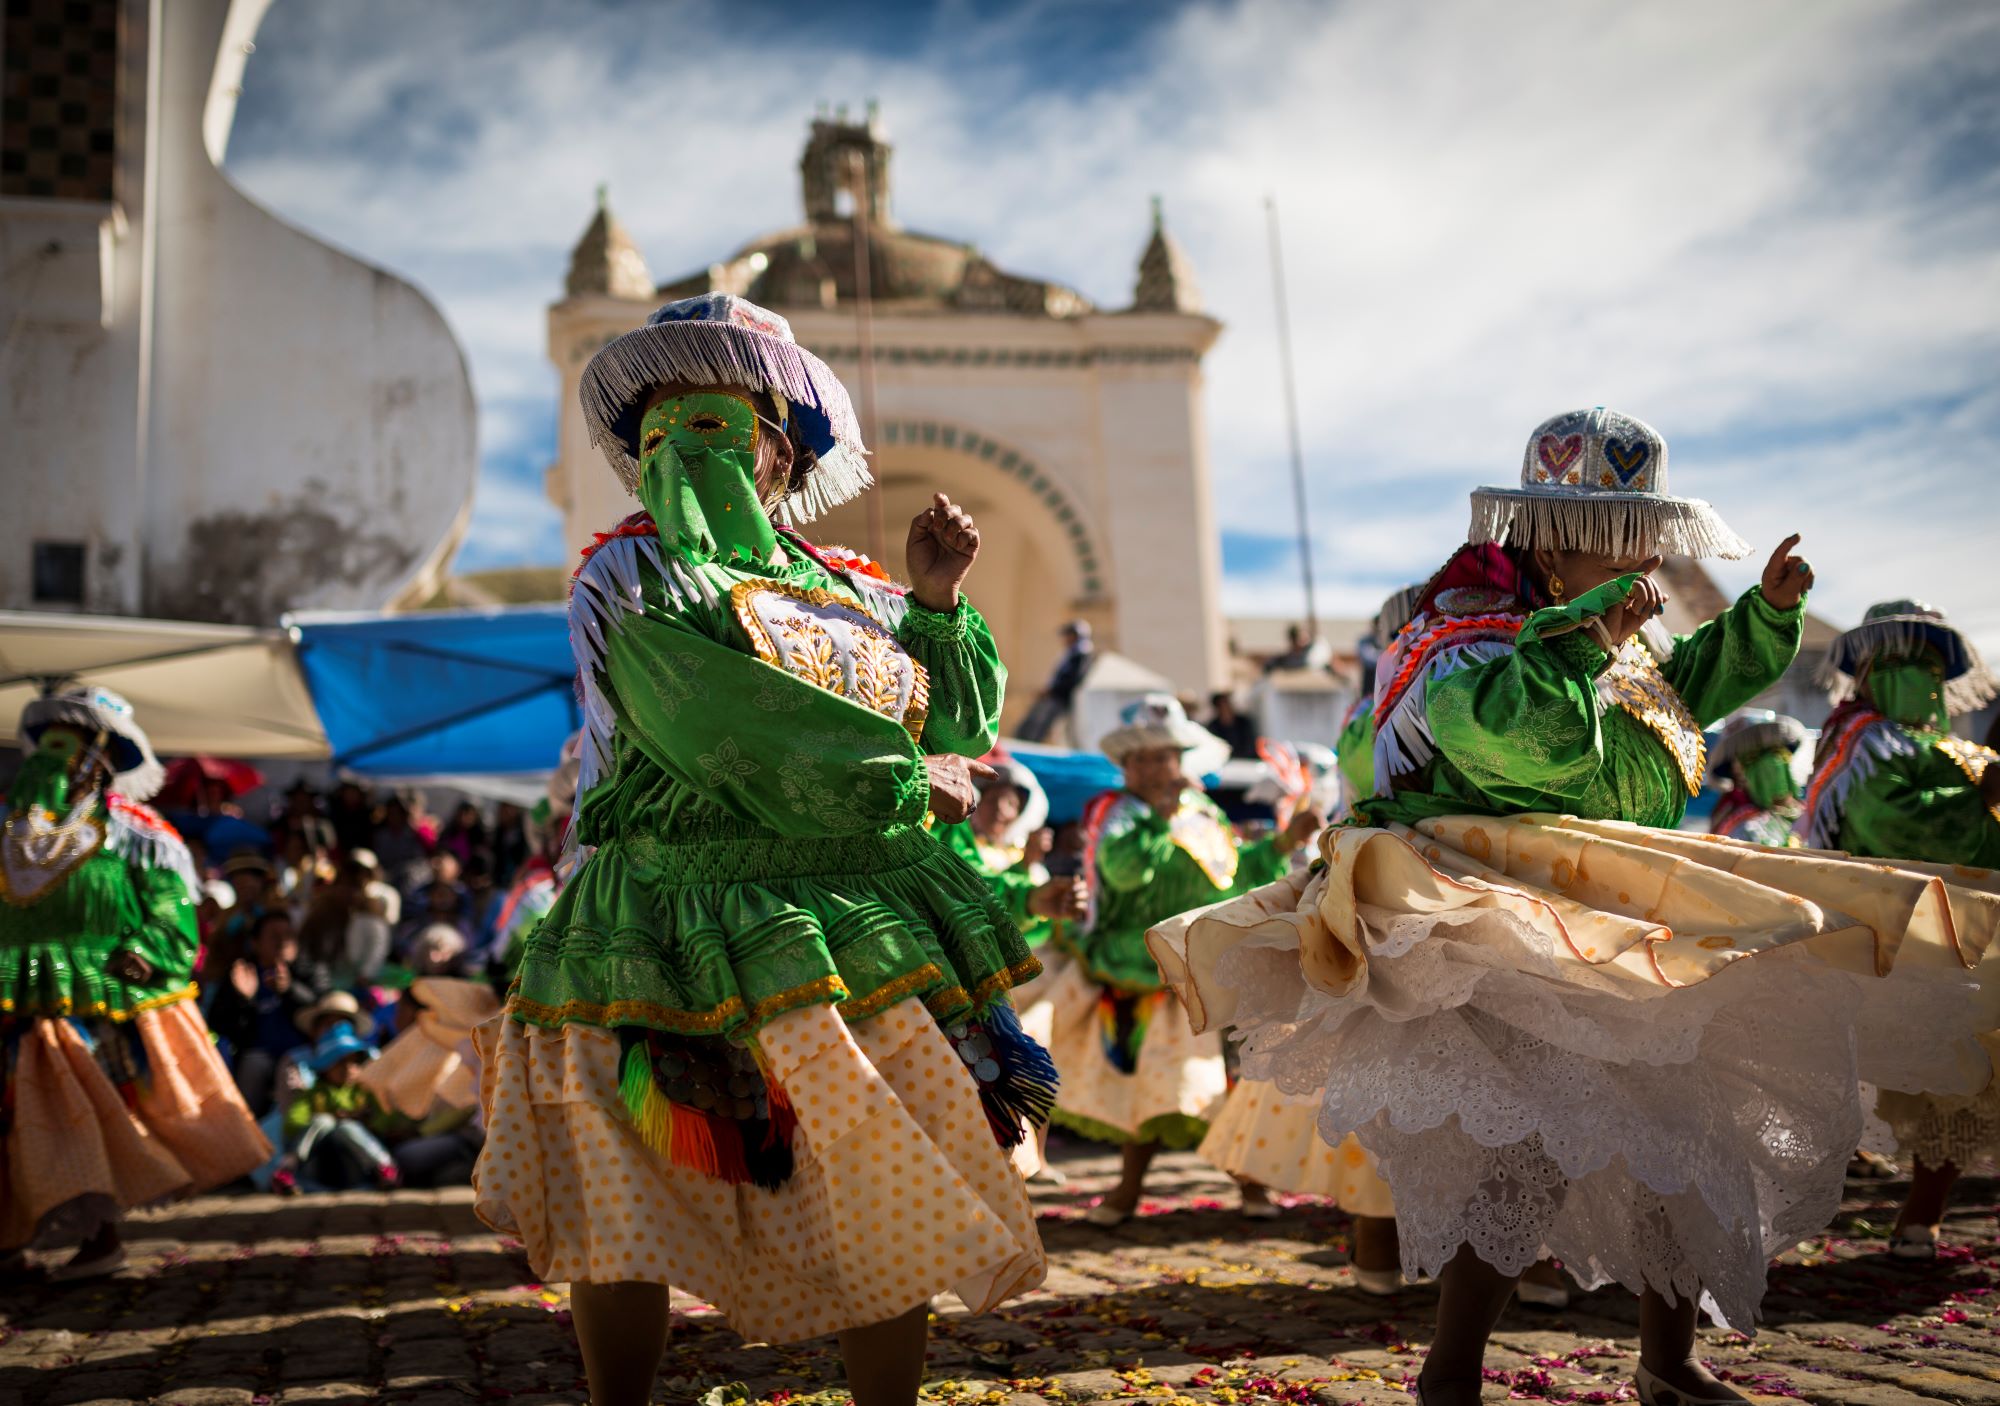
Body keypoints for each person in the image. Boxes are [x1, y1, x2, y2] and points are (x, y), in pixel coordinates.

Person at [1147, 408, 1999, 1406]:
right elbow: (1521, 745)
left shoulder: (1609, 634)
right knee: (1531, 1151)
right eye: (1617, 533)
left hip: (1627, 913)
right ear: (1547, 534)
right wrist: (1579, 644)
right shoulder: (1465, 631)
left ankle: (1667, 1360)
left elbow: (1676, 695)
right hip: (1519, 923)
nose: (1642, 555)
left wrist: (1757, 619)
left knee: (1688, 1139)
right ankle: (1450, 1372)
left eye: (1646, 534)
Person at [473, 293, 1052, 1406]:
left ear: (785, 453)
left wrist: (934, 600)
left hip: (853, 920)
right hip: (664, 918)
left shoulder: (855, 589)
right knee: (622, 1189)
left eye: (725, 425)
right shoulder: (629, 576)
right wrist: (894, 777)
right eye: (662, 430)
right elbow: (710, 726)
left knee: (882, 1165)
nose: (689, 450)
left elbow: (954, 724)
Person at [0, 686, 269, 1279]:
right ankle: (9, 1239)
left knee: (89, 1115)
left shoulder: (137, 832)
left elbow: (173, 911)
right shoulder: (6, 827)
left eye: (70, 748)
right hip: (11, 994)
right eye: (48, 747)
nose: (55, 760)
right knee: (12, 1119)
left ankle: (100, 1236)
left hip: (94, 996)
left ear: (100, 759)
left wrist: (146, 952)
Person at [1038, 694, 1319, 1224]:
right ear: (1126, 766)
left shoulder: (1204, 813)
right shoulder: (1116, 814)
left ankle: (1249, 1184)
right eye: (1141, 758)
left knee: (1230, 1083)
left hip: (1208, 962)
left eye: (1163, 756)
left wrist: (1285, 841)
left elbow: (1234, 875)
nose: (1153, 767)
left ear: (1180, 760)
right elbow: (1123, 873)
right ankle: (1127, 1190)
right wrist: (1159, 819)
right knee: (1152, 1084)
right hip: (1143, 966)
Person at [1799, 600, 2000, 1260]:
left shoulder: (1952, 746)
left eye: (1933, 664)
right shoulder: (1863, 742)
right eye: (1907, 662)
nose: (1923, 677)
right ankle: (1918, 1214)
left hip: (1973, 931)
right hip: (1914, 940)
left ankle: (1928, 1213)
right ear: (1873, 670)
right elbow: (1899, 826)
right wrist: (1984, 805)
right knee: (1943, 1076)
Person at [937, 753, 1088, 1181]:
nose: (1003, 808)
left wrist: (1033, 890)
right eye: (995, 798)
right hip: (967, 980)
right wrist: (1030, 894)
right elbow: (973, 887)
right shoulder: (954, 840)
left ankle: (1029, 1160)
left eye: (1012, 801)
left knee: (1029, 1062)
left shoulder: (1015, 855)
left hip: (1021, 980)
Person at [210, 908, 319, 1116]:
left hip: (301, 1055)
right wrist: (244, 1000)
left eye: (288, 936)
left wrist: (289, 990)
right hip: (256, 1056)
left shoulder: (309, 971)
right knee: (254, 1066)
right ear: (255, 943)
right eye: (274, 936)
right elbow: (219, 1024)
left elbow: (321, 1011)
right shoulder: (240, 975)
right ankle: (244, 1131)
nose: (282, 942)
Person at [280, 1023, 401, 1191]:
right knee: (324, 1121)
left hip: (359, 1161)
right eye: (340, 1062)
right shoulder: (314, 1093)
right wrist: (329, 1118)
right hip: (319, 1158)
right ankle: (288, 1168)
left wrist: (366, 1120)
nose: (348, 1069)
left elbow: (386, 1118)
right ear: (325, 1067)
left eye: (353, 1062)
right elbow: (293, 1121)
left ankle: (385, 1167)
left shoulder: (363, 1091)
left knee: (348, 1127)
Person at [1706, 709, 1809, 846]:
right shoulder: (1743, 827)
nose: (1774, 766)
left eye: (1779, 754)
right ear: (1737, 773)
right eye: (1753, 759)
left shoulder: (1804, 816)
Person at [1016, 620, 1095, 744]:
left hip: (1060, 697)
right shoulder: (1072, 653)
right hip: (1055, 695)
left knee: (1040, 723)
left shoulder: (1081, 654)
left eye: (1068, 635)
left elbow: (1073, 680)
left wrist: (1052, 691)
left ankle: (1028, 743)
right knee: (1033, 721)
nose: (1065, 639)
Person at [1206, 692, 1261, 760]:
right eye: (1221, 706)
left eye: (1226, 704)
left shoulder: (1244, 722)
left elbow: (1251, 745)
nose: (1225, 709)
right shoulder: (1213, 726)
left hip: (1248, 762)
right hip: (1226, 763)